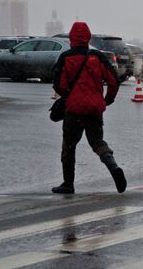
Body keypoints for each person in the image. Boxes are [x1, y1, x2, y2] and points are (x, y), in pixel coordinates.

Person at [51, 22, 126, 194]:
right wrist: (107, 100)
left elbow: (59, 84)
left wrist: (68, 95)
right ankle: (113, 167)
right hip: (94, 109)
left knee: (69, 146)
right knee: (98, 142)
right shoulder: (97, 57)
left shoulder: (66, 58)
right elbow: (114, 81)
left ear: (71, 38)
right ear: (88, 37)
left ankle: (68, 184)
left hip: (74, 109)